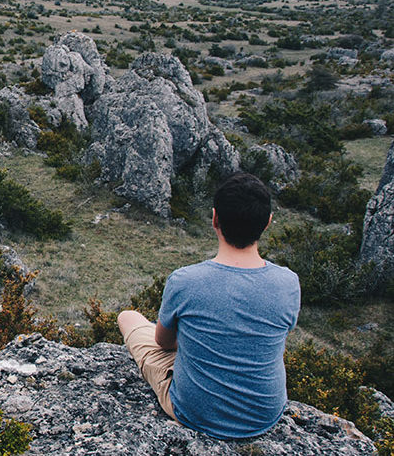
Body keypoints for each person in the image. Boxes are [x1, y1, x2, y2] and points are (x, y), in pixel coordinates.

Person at [117, 172, 301, 440]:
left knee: (129, 317)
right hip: (265, 415)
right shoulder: (288, 282)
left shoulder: (185, 281)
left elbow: (164, 344)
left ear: (214, 218)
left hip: (195, 413)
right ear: (267, 222)